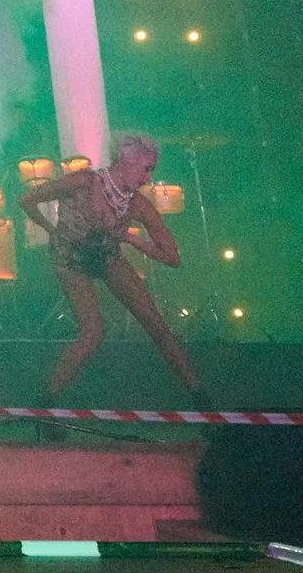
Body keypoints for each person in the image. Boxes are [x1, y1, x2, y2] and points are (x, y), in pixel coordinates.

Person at [22, 131, 208, 411]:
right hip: (71, 260)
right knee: (93, 333)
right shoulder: (84, 182)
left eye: (152, 170)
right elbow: (26, 199)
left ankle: (203, 403)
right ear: (125, 160)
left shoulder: (138, 205)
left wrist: (131, 238)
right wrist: (50, 229)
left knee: (156, 323)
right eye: (146, 169)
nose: (148, 178)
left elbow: (172, 258)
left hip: (107, 257)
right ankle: (44, 404)